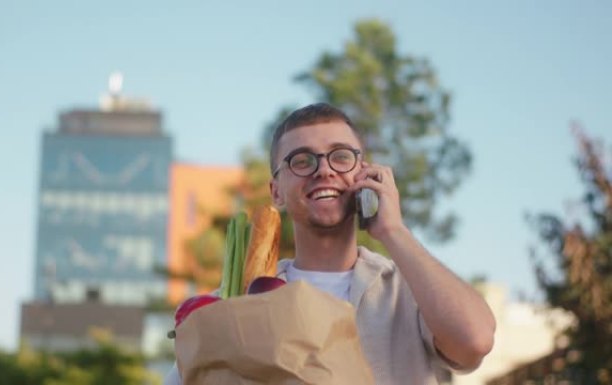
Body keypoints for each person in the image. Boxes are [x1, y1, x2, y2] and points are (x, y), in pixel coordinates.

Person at [164, 103, 495, 385]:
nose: (324, 170)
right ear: (276, 190)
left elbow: (475, 340)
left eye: (340, 156)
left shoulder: (407, 293)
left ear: (363, 172)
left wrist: (393, 230)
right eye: (302, 161)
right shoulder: (230, 306)